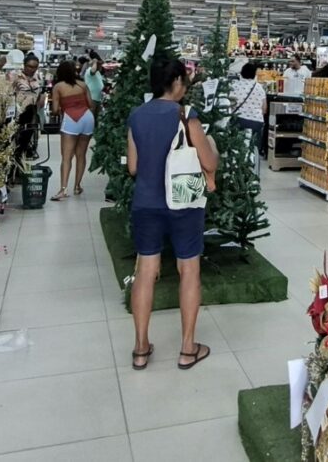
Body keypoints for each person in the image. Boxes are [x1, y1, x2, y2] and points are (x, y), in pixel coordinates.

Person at [127, 59, 218, 370]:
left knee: (145, 272)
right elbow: (209, 161)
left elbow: (133, 166)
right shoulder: (186, 115)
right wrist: (213, 151)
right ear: (178, 81)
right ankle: (188, 347)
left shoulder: (137, 115)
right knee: (188, 269)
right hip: (184, 202)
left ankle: (141, 347)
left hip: (146, 202)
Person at [50, 60, 94, 201]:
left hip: (71, 118)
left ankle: (63, 190)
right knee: (81, 155)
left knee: (67, 157)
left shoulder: (58, 87)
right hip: (87, 117)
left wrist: (59, 109)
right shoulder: (83, 85)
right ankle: (77, 186)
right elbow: (91, 104)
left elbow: (55, 110)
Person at [231, 62, 268, 168]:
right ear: (254, 74)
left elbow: (231, 103)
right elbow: (264, 109)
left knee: (237, 145)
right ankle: (253, 167)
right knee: (254, 146)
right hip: (256, 122)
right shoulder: (259, 88)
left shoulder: (235, 85)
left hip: (239, 120)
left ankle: (238, 167)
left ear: (241, 73)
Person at [12, 54, 45, 169]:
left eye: (35, 67)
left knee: (25, 143)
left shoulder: (38, 78)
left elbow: (40, 92)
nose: (32, 69)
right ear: (24, 65)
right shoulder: (16, 77)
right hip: (18, 113)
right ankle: (13, 168)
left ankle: (20, 167)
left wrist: (42, 97)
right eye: (29, 66)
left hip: (32, 114)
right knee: (16, 143)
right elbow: (8, 93)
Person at [83, 54, 105, 119]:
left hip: (98, 99)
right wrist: (95, 62)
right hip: (92, 99)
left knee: (97, 119)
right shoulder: (89, 71)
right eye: (99, 65)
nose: (101, 66)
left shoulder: (98, 73)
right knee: (91, 119)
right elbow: (93, 71)